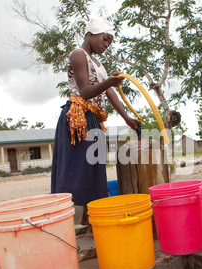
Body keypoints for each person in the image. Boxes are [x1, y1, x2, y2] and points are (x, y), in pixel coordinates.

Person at [51, 17, 139, 237]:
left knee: (95, 168)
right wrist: (108, 82)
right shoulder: (77, 55)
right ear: (91, 33)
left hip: (94, 119)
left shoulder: (98, 64)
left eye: (110, 41)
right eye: (105, 39)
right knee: (79, 169)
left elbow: (109, 93)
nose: (106, 44)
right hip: (78, 118)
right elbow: (85, 91)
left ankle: (87, 217)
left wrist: (127, 118)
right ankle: (75, 218)